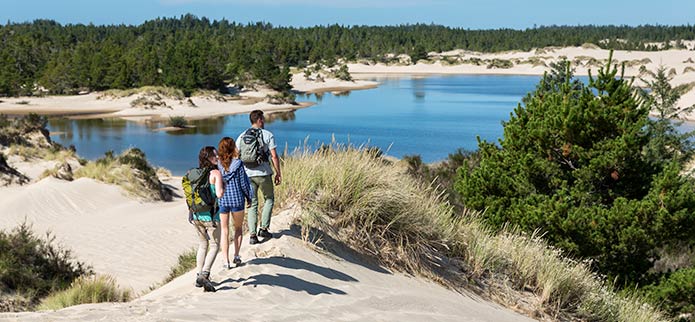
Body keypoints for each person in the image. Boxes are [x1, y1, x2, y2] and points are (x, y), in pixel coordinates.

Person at [237, 110, 282, 245]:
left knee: (252, 204)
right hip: (263, 173)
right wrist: (278, 172)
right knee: (269, 198)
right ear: (259, 120)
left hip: (247, 174)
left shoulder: (242, 136)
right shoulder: (267, 135)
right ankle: (263, 228)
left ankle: (252, 235)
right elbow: (274, 156)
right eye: (263, 118)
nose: (264, 121)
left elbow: (236, 155)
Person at [190, 146, 223, 292]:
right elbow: (220, 194)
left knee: (203, 245)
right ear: (208, 158)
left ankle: (198, 276)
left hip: (196, 215)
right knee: (215, 245)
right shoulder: (216, 173)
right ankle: (205, 274)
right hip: (211, 216)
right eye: (214, 156)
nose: (218, 158)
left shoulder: (194, 173)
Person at [217, 137, 253, 269]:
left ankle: (225, 260)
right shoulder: (238, 164)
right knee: (238, 228)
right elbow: (244, 184)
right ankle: (236, 256)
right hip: (237, 199)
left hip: (223, 200)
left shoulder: (218, 164)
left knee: (224, 231)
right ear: (233, 148)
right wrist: (249, 197)